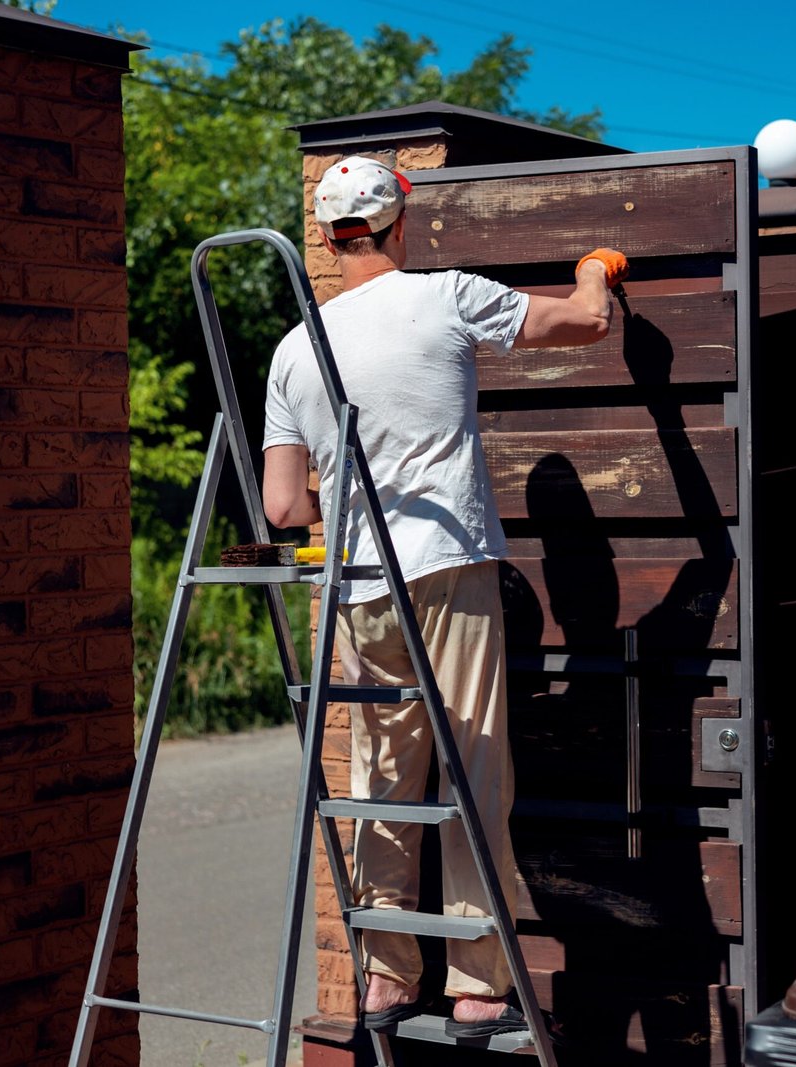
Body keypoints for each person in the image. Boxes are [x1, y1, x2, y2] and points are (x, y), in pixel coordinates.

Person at [260, 155, 627, 1038]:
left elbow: (281, 508)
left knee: (385, 774)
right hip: (449, 565)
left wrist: (353, 498)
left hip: (361, 581)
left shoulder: (294, 348)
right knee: (472, 767)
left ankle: (386, 978)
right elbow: (584, 323)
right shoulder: (446, 297)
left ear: (328, 237)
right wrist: (595, 268)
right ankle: (476, 987)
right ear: (400, 223)